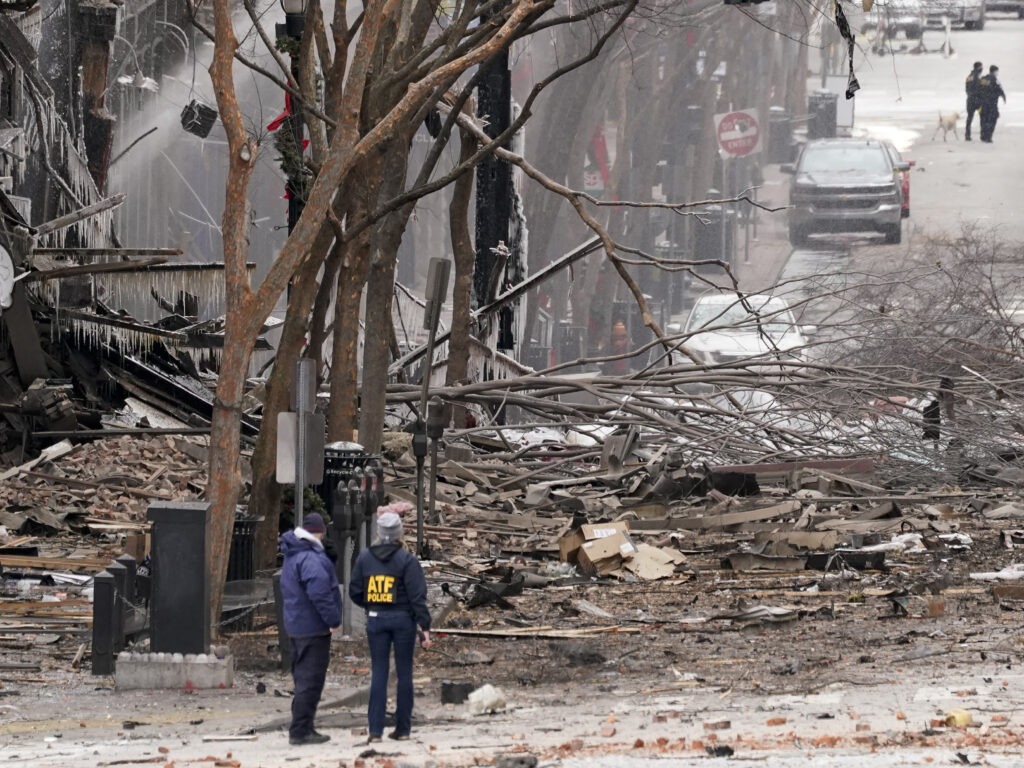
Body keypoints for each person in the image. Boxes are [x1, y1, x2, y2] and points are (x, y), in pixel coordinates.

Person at [349, 508, 432, 743]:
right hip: (404, 620)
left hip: (376, 619)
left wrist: (370, 605)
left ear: (378, 531)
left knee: (379, 672)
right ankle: (403, 729)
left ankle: (375, 731)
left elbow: (355, 591)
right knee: (404, 673)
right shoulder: (407, 560)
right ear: (399, 533)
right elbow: (418, 596)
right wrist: (425, 626)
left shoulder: (365, 558)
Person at [278, 512, 342, 746]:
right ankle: (301, 730)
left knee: (302, 678)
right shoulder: (310, 558)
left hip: (296, 625)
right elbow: (320, 592)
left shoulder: (294, 555)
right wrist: (333, 619)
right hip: (313, 627)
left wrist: (329, 560)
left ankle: (303, 726)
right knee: (310, 680)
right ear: (320, 532)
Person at [978, 65, 1007, 143]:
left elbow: (978, 89)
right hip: (991, 104)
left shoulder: (983, 79)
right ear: (994, 71)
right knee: (992, 119)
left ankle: (983, 136)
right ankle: (988, 137)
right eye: (997, 71)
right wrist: (1004, 97)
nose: (997, 73)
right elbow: (999, 89)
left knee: (984, 119)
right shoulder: (994, 79)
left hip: (982, 103)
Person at [964, 61, 984, 141]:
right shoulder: (978, 77)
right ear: (979, 68)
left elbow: (967, 89)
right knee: (982, 117)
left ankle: (967, 135)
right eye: (981, 67)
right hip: (978, 102)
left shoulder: (969, 77)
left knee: (969, 118)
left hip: (970, 101)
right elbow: (979, 89)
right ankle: (983, 135)